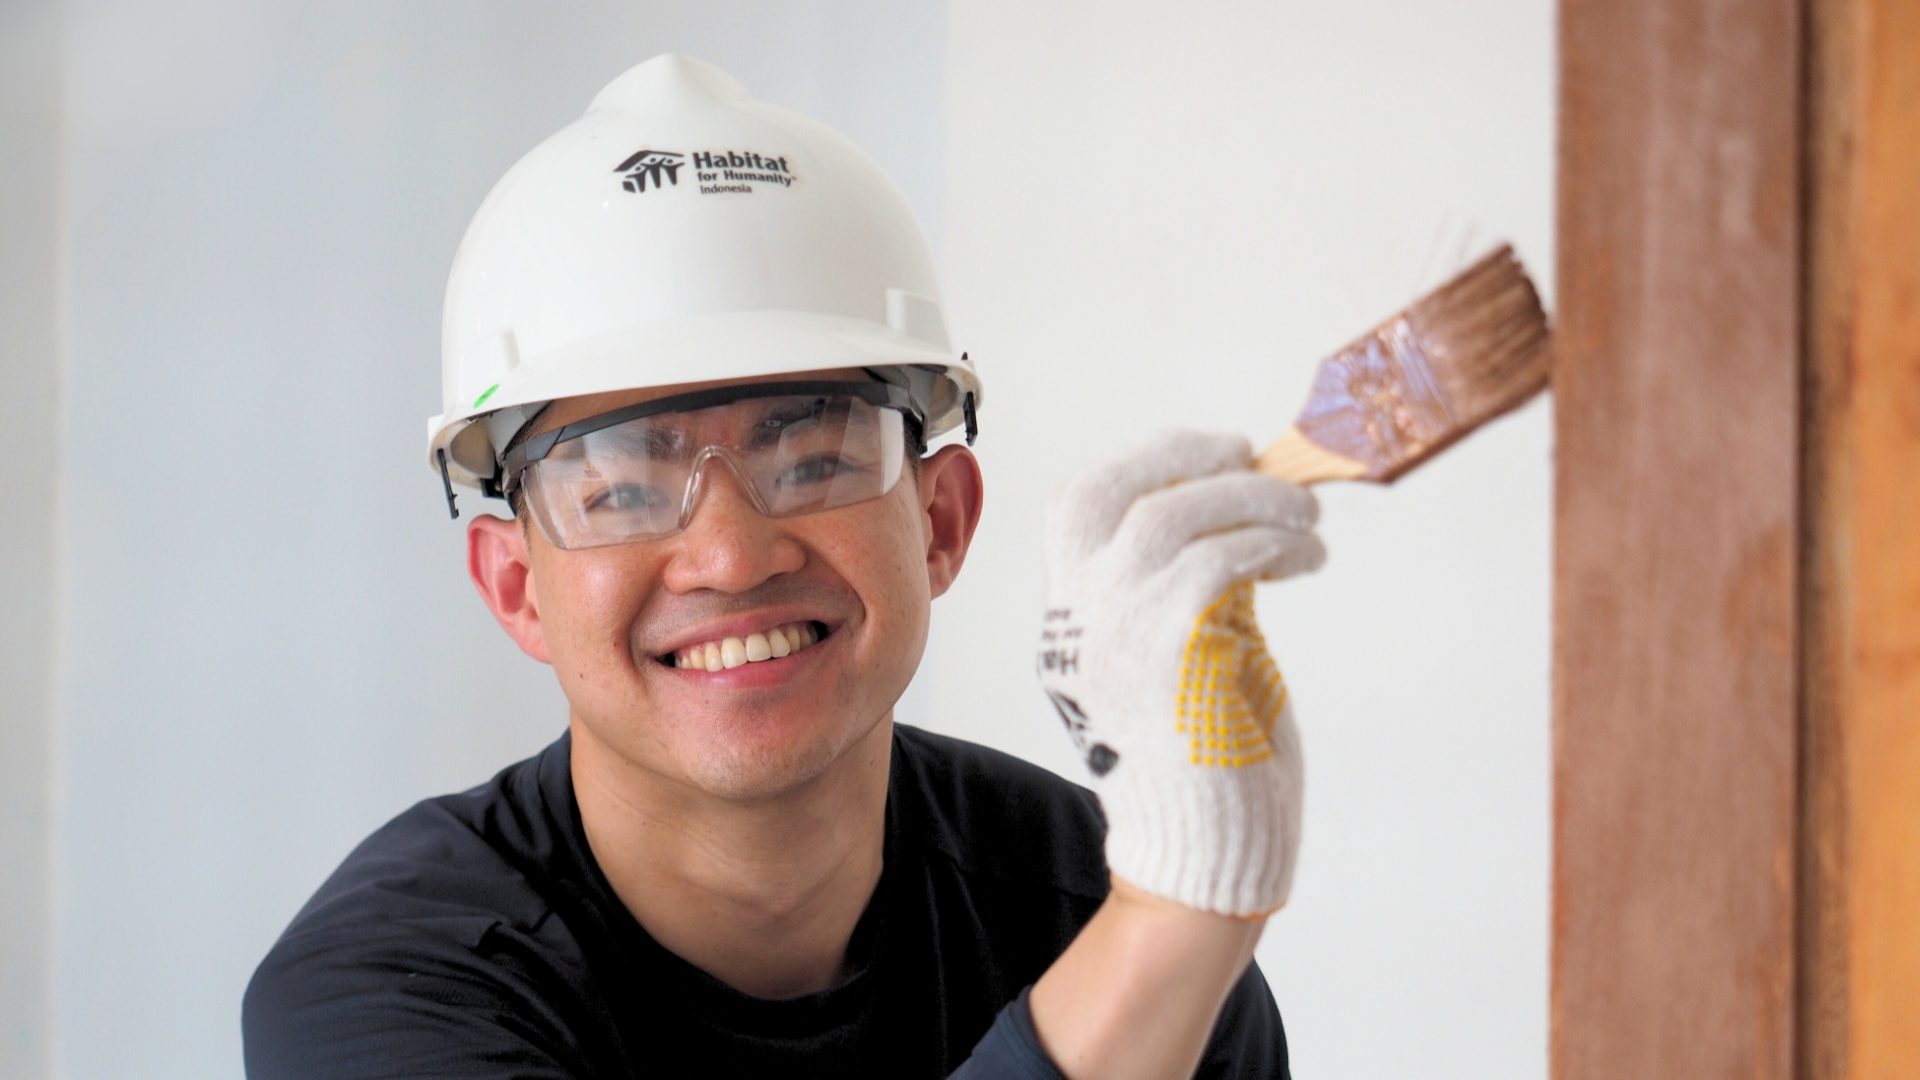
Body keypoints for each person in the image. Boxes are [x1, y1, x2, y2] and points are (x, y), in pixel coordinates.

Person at [244, 54, 1323, 1079]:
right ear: (516, 589)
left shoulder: (1086, 903)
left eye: (810, 458)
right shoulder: (394, 990)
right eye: (621, 487)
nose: (728, 554)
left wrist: (1167, 920)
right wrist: (1175, 929)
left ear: (941, 521)